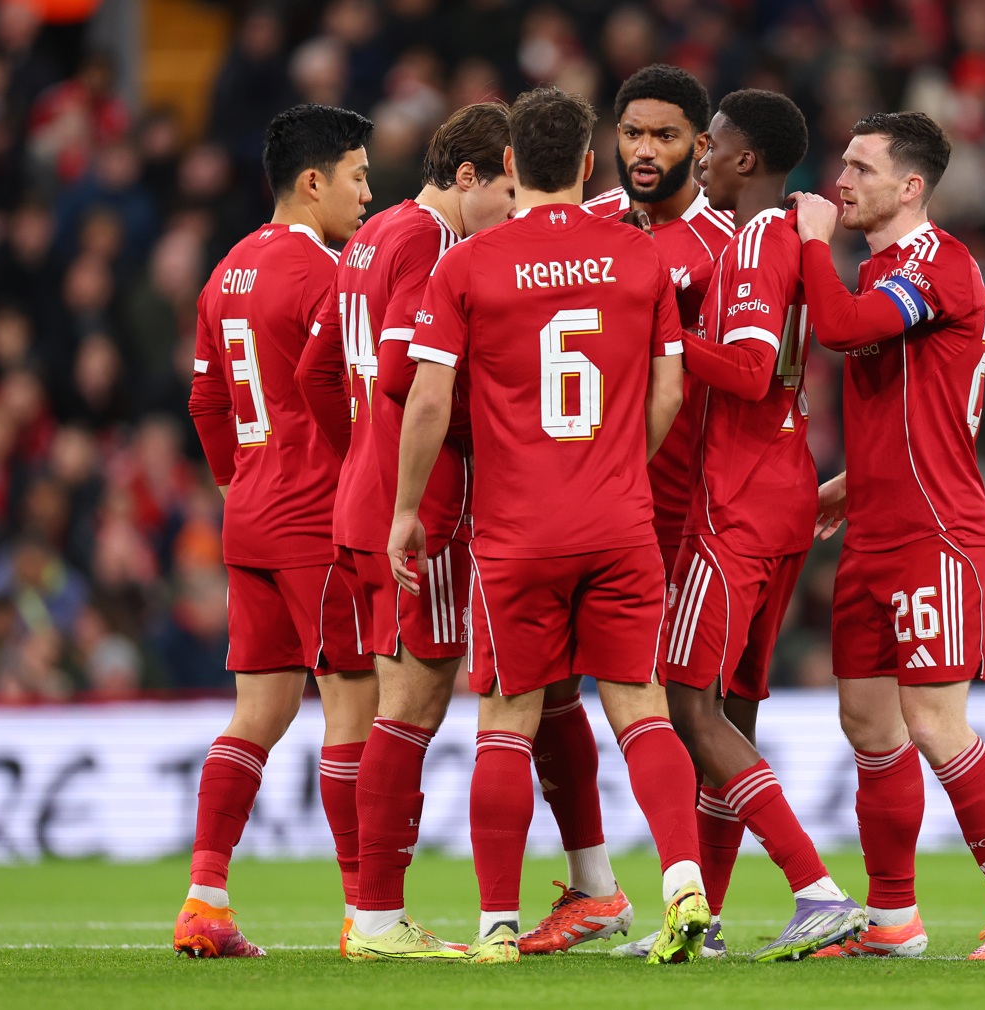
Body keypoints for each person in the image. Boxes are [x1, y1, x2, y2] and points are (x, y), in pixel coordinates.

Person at [387, 86, 708, 965]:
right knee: (641, 709)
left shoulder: (468, 265)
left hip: (516, 531)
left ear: (514, 166)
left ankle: (495, 925)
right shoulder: (637, 255)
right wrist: (617, 470)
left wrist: (408, 511)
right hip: (618, 521)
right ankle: (684, 884)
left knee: (506, 718)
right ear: (591, 165)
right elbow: (672, 388)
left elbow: (427, 398)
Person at [790, 111, 985, 961]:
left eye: (861, 168)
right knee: (868, 726)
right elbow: (906, 406)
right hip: (874, 526)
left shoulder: (939, 265)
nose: (842, 180)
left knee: (935, 722)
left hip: (936, 531)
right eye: (843, 165)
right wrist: (851, 481)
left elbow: (842, 330)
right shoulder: (884, 268)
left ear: (910, 186)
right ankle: (893, 918)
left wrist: (809, 244)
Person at [616, 89, 864, 963]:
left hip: (737, 502)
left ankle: (816, 888)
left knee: (687, 701)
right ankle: (707, 922)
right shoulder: (787, 236)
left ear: (744, 160)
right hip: (785, 489)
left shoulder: (757, 237)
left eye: (711, 146)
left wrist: (661, 338)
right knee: (734, 711)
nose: (702, 159)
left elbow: (754, 371)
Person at [519, 62, 735, 958]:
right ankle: (598, 887)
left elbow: (740, 386)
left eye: (666, 137)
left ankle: (707, 909)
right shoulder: (589, 226)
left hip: (685, 513)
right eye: (633, 134)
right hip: (590, 508)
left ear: (702, 146)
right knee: (549, 692)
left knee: (697, 709)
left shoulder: (726, 245)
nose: (644, 152)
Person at [295, 101, 516, 960]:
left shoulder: (371, 235)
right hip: (416, 512)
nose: (511, 210)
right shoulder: (428, 242)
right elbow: (404, 373)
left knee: (394, 708)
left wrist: (361, 455)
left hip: (364, 500)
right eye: (505, 190)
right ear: (468, 177)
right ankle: (380, 918)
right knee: (412, 710)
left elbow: (321, 373)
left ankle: (373, 913)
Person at [177, 103, 377, 959]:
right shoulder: (325, 276)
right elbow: (336, 388)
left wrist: (238, 481)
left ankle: (205, 900)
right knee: (356, 709)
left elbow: (205, 401)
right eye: (358, 177)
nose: (368, 196)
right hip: (315, 520)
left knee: (256, 714)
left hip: (251, 519)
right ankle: (368, 914)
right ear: (313, 182)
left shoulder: (225, 274)